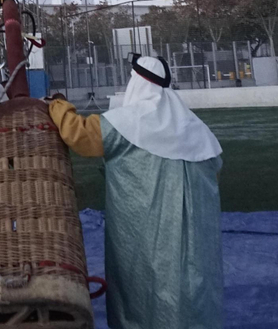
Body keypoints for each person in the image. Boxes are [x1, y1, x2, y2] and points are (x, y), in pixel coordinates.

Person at [47, 55, 223, 329]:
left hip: (144, 233)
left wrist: (58, 105)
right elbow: (214, 164)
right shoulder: (194, 126)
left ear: (137, 83)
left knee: (145, 287)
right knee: (192, 284)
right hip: (195, 236)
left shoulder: (128, 123)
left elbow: (78, 135)